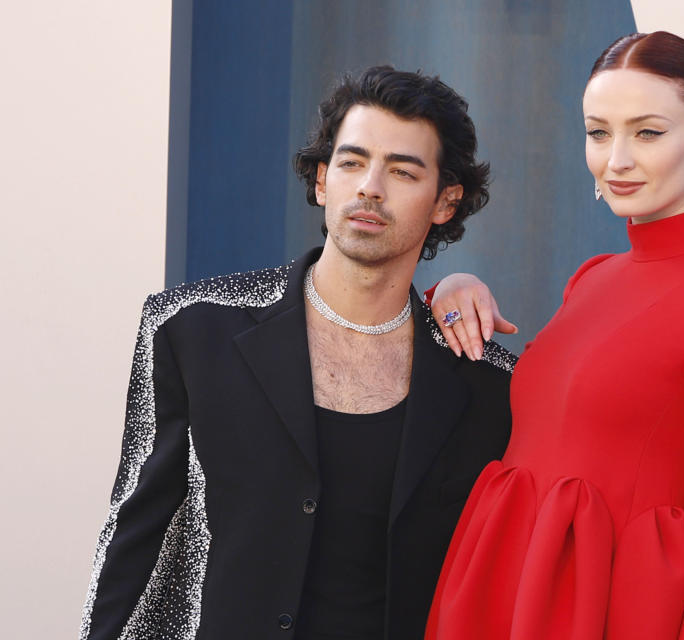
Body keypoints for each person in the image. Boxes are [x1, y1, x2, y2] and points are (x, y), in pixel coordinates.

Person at [79, 66, 515, 640]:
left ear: (445, 201)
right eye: (352, 162)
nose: (370, 188)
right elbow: (134, 535)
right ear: (320, 179)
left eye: (403, 171)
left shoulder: (485, 383)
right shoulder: (195, 332)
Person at [425, 32, 684, 639]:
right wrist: (448, 289)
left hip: (619, 613)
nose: (616, 159)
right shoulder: (592, 279)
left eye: (647, 132)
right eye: (599, 132)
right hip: (506, 595)